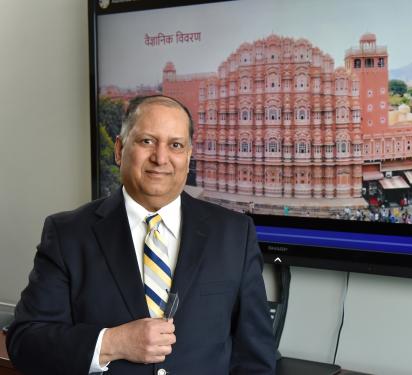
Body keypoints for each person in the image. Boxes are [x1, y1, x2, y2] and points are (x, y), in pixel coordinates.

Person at [7, 95, 276, 375]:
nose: (160, 158)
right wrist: (113, 342)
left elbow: (256, 357)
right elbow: (26, 342)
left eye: (175, 145)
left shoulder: (235, 234)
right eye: (147, 141)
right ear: (119, 149)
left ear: (188, 155)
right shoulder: (68, 235)